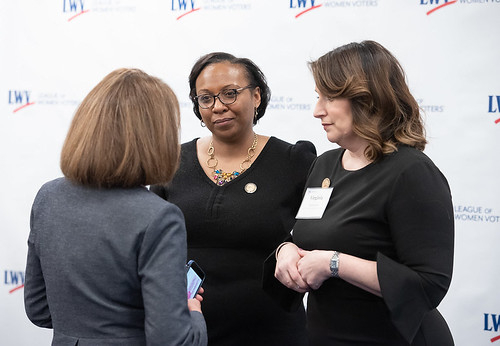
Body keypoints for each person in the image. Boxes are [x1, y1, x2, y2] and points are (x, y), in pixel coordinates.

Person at [274, 41, 455, 345]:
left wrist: (335, 264)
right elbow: (313, 235)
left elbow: (428, 284)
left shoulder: (411, 172)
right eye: (318, 97)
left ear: (366, 99)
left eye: (329, 98)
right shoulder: (325, 165)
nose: (317, 111)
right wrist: (286, 250)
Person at [24, 68, 207, 346]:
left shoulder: (48, 197)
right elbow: (173, 341)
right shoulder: (158, 217)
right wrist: (193, 313)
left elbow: (38, 309)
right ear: (156, 138)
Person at [150, 52, 316, 345]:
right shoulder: (172, 160)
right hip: (189, 330)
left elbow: (319, 237)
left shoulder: (294, 160)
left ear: (256, 96)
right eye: (206, 98)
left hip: (273, 330)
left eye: (230, 94)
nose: (218, 107)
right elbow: (154, 246)